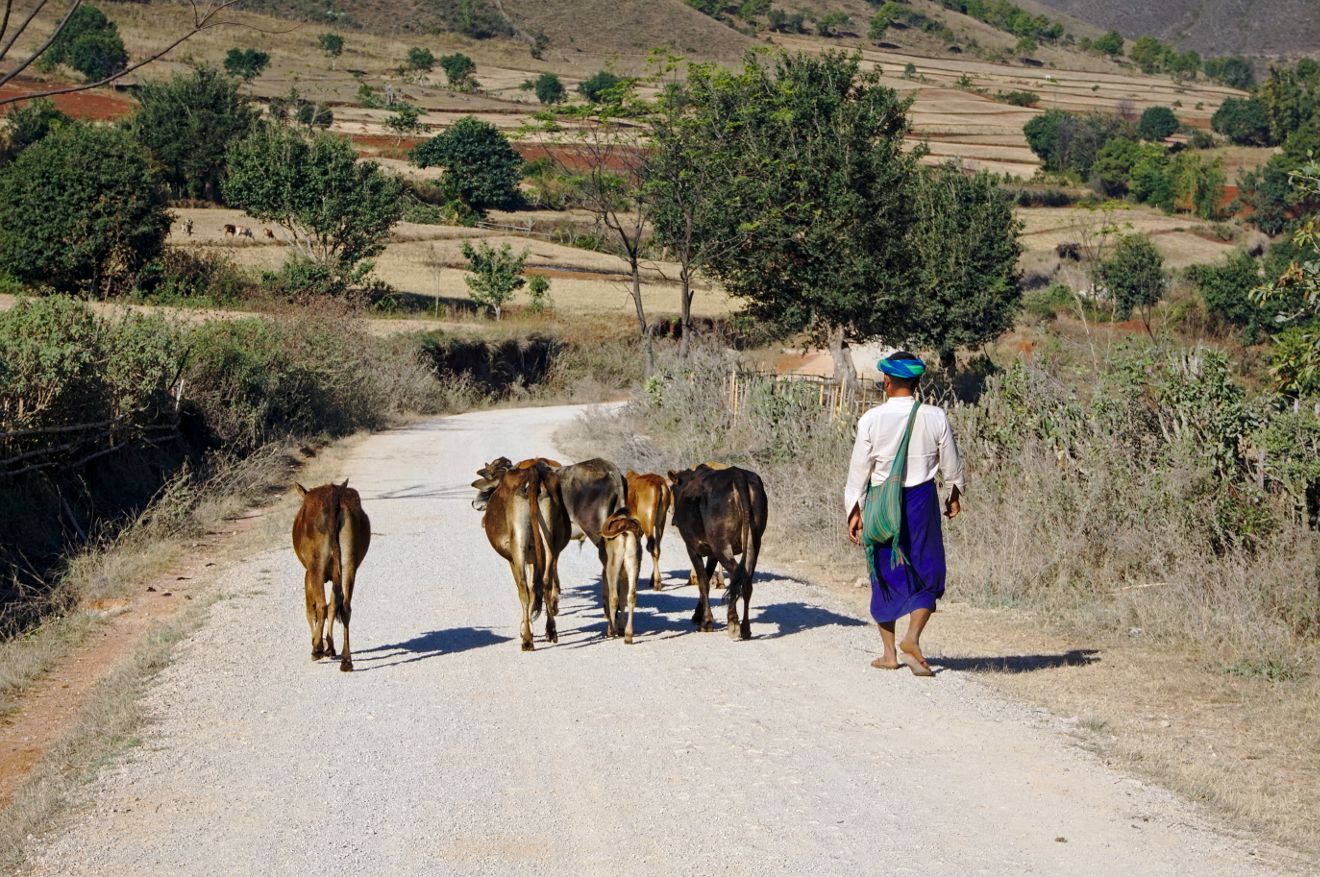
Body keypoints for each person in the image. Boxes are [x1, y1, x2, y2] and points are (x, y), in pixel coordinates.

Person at [844, 351, 963, 676]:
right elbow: (950, 464)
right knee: (928, 570)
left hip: (883, 505)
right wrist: (954, 493)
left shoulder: (871, 419)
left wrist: (854, 509)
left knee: (884, 573)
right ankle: (912, 637)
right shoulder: (935, 416)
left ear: (887, 380)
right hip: (922, 501)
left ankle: (888, 654)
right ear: (916, 382)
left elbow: (859, 472)